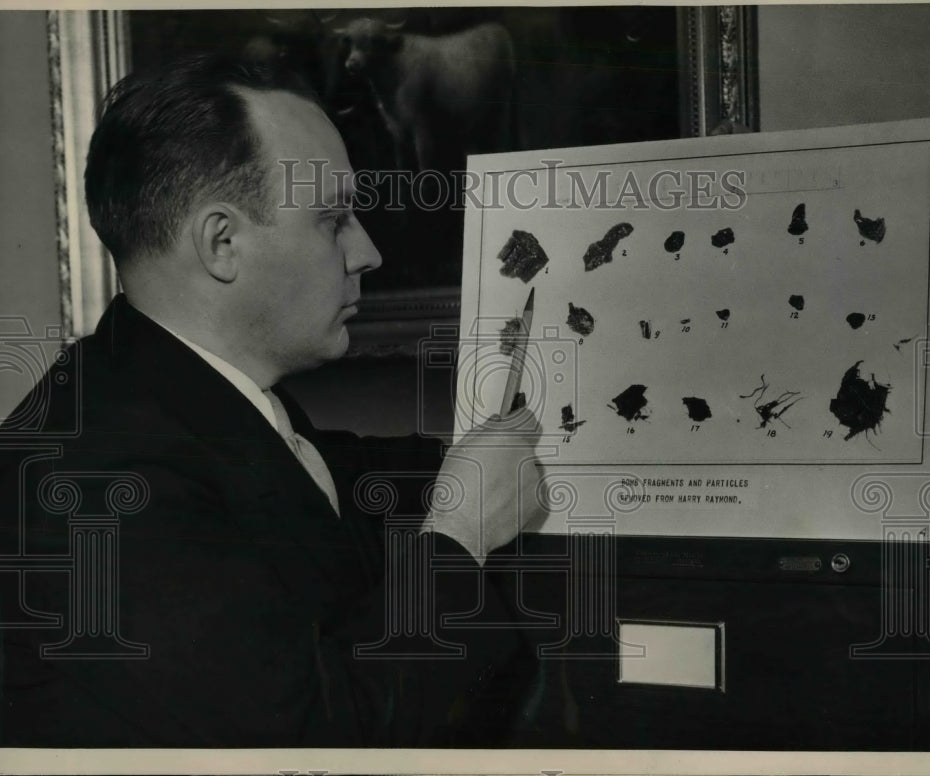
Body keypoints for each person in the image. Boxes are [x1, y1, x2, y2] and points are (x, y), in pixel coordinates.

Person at [0, 54, 543, 746]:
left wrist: (483, 458)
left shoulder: (159, 391)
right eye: (334, 219)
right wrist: (460, 533)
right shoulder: (95, 481)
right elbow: (315, 741)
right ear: (222, 244)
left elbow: (322, 471)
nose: (367, 251)